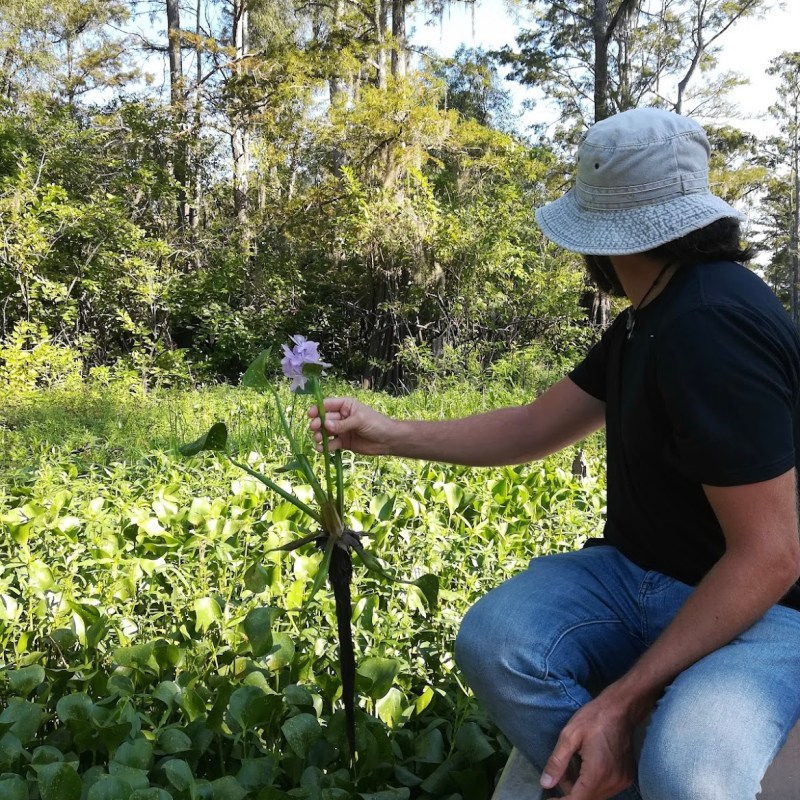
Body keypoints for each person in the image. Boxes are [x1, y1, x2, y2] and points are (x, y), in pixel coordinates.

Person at [308, 108, 800, 800]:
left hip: (763, 610)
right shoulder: (653, 313)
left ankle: (622, 755)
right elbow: (535, 426)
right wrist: (386, 433)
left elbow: (773, 553)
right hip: (639, 576)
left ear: (602, 236)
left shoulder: (711, 327)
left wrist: (625, 697)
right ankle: (610, 768)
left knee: (687, 770)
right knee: (497, 639)